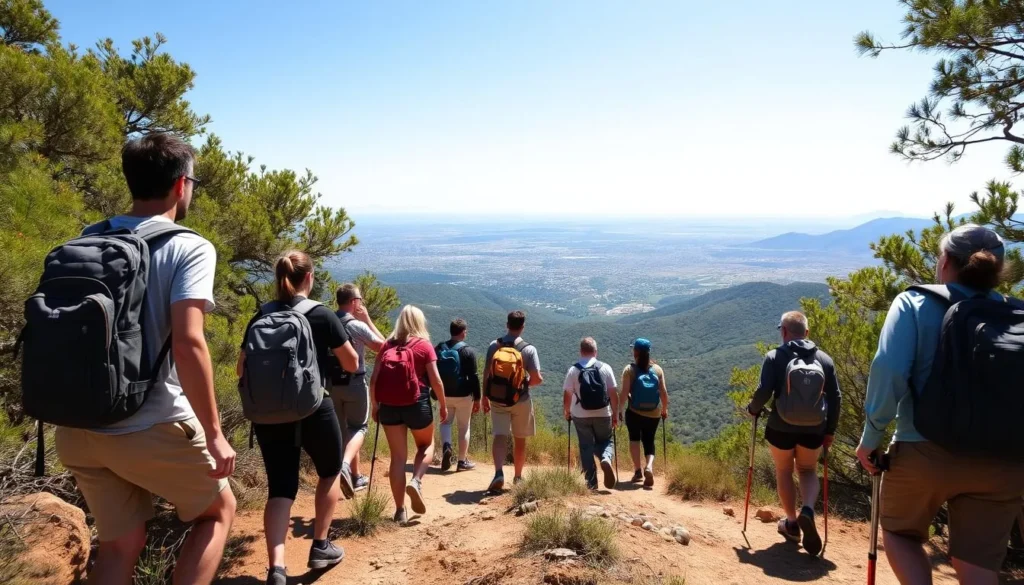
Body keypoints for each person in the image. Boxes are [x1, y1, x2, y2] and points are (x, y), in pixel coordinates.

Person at [53, 134, 237, 585]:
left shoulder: (88, 237)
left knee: (120, 544)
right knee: (218, 511)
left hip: (75, 426)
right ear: (180, 185)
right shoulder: (189, 246)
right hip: (147, 423)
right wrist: (214, 434)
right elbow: (189, 343)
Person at [856, 224, 1024, 585]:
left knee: (901, 532)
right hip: (1004, 460)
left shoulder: (915, 303)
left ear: (945, 261)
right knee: (978, 564)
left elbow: (889, 369)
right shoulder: (1016, 315)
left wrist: (872, 437)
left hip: (924, 448)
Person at [238, 251, 359, 585]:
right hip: (313, 407)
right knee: (331, 470)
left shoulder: (260, 314)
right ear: (310, 277)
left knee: (280, 488)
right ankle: (320, 544)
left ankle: (276, 567)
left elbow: (241, 368)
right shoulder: (321, 315)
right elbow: (350, 364)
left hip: (268, 414)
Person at [746, 311, 840, 557]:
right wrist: (830, 430)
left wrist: (753, 409)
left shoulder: (774, 357)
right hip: (814, 429)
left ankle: (791, 524)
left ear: (784, 332)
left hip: (780, 427)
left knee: (784, 471)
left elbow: (764, 390)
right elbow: (836, 398)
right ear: (807, 333)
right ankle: (807, 509)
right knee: (808, 471)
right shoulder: (825, 360)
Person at [370, 305, 448, 524]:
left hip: (389, 407)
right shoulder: (424, 346)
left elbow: (374, 380)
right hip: (417, 403)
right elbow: (436, 380)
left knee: (397, 458)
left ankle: (399, 510)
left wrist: (375, 405)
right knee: (426, 445)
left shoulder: (387, 345)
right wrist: (443, 405)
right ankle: (416, 480)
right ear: (420, 322)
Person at [332, 283, 385, 497]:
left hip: (331, 384)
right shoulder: (356, 326)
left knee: (344, 430)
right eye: (360, 300)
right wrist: (367, 320)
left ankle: (355, 475)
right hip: (354, 382)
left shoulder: (328, 322)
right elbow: (383, 346)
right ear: (354, 302)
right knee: (359, 428)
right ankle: (345, 466)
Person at [482, 310, 544, 492]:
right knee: (520, 439)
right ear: (523, 327)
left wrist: (485, 396)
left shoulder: (494, 346)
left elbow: (487, 373)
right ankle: (518, 478)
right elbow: (537, 378)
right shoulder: (529, 349)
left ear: (507, 325)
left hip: (497, 400)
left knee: (499, 435)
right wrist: (524, 385)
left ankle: (499, 473)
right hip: (521, 400)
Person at [563, 337, 619, 490]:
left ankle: (591, 483)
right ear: (596, 351)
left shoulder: (573, 370)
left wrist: (567, 411)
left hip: (580, 415)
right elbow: (613, 393)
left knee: (586, 446)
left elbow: (567, 394)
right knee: (606, 441)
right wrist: (616, 413)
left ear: (581, 351)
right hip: (603, 413)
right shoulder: (605, 368)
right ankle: (606, 458)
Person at [618, 338, 669, 488]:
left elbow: (624, 393)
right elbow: (664, 393)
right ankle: (649, 467)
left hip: (634, 412)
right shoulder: (658, 370)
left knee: (634, 439)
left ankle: (638, 471)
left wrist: (619, 410)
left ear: (636, 352)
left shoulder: (629, 369)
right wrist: (664, 410)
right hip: (654, 413)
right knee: (649, 441)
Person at [435, 318, 481, 471]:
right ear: (463, 333)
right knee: (464, 427)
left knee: (445, 423)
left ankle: (447, 446)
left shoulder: (439, 348)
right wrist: (478, 399)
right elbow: (474, 377)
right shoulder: (468, 351)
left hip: (444, 394)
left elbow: (432, 372)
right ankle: (462, 462)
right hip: (463, 395)